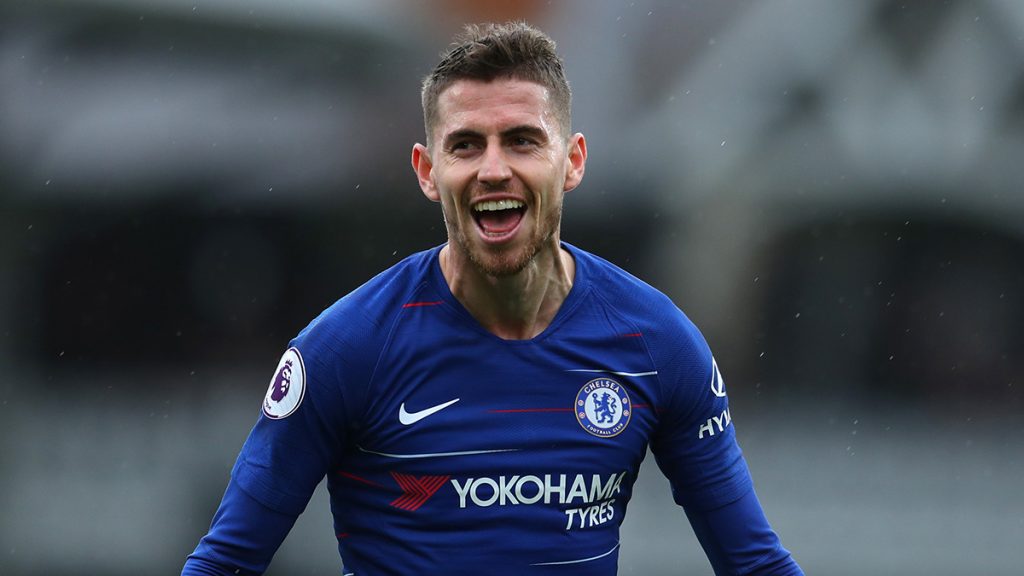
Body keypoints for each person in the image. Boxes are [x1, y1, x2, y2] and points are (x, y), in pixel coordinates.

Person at [182, 21, 803, 576]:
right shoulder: (347, 348)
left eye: (523, 140)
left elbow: (755, 563)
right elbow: (224, 562)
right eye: (466, 145)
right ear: (427, 171)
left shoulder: (655, 343)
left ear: (572, 161)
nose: (494, 169)